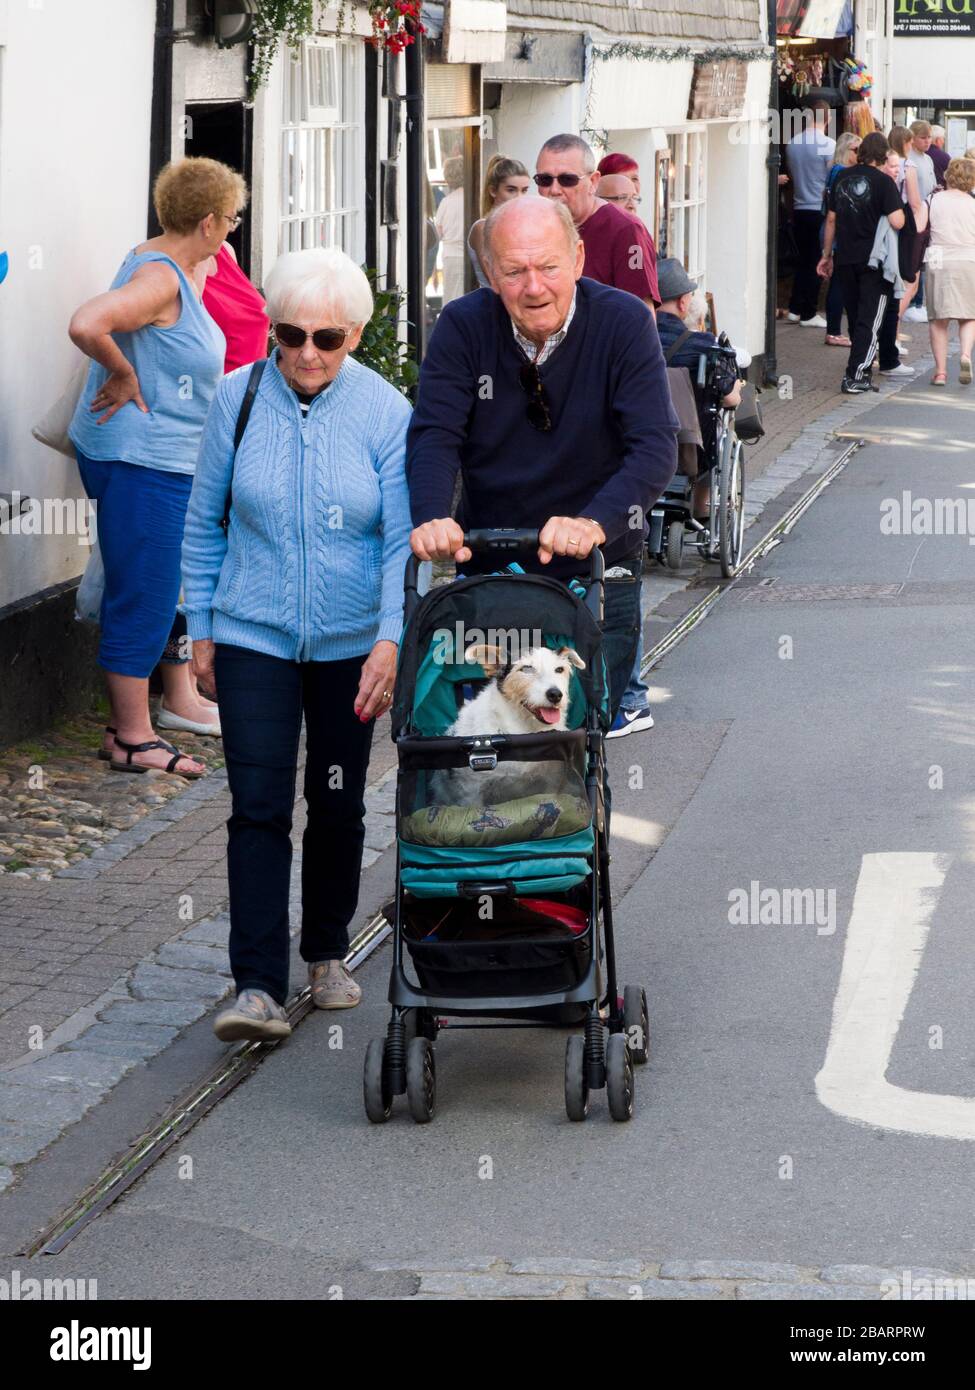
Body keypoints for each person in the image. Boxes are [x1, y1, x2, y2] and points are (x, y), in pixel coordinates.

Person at [183, 248, 413, 1041]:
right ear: (273, 330)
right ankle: (254, 984)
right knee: (256, 806)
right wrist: (201, 629)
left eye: (328, 338)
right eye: (291, 334)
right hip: (252, 636)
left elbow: (398, 544)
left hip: (352, 644)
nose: (308, 353)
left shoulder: (386, 412)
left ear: (353, 334)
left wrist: (390, 639)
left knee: (339, 799)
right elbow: (203, 519)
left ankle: (325, 951)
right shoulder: (234, 400)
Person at [405, 196, 678, 730]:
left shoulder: (623, 323)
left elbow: (653, 446)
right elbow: (435, 433)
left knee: (579, 735)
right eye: (514, 271)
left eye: (549, 267)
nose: (534, 287)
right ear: (489, 271)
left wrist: (593, 523)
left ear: (577, 260)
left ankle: (575, 813)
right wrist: (432, 516)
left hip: (598, 563)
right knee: (490, 732)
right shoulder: (463, 326)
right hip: (492, 563)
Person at [68, 157, 244, 777]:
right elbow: (88, 322)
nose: (233, 229)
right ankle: (134, 738)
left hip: (141, 456)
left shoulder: (165, 258)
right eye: (231, 219)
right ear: (207, 221)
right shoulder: (161, 279)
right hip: (143, 463)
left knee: (143, 587)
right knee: (144, 596)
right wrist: (122, 371)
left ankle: (128, 726)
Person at [818, 132, 905, 394]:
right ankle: (856, 375)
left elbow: (831, 219)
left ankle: (861, 369)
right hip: (874, 261)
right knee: (871, 318)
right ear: (882, 156)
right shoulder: (884, 182)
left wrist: (826, 254)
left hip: (845, 257)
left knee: (856, 318)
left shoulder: (842, 176)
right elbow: (898, 220)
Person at [535, 135, 659, 310]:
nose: (554, 190)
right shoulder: (534, 226)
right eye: (545, 180)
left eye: (567, 180)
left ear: (593, 182)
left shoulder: (625, 230)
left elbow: (641, 315)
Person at [924, 157, 975, 386]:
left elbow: (919, 227)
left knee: (938, 319)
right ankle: (965, 355)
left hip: (938, 259)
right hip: (968, 258)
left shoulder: (933, 199)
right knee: (969, 315)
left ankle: (941, 372)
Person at [785, 102, 836, 329]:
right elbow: (831, 178)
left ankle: (795, 308)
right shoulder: (827, 145)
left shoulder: (793, 144)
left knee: (803, 259)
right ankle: (809, 312)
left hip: (798, 206)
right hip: (819, 208)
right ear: (828, 119)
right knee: (817, 259)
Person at [822, 132, 860, 347]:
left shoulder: (833, 169)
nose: (859, 154)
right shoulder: (842, 172)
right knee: (838, 282)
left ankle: (833, 329)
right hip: (836, 229)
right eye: (856, 150)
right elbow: (835, 210)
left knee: (837, 280)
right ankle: (834, 331)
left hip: (831, 227)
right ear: (847, 151)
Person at [468, 155, 530, 288]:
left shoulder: (524, 226)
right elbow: (497, 279)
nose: (519, 197)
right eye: (511, 190)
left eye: (524, 190)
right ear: (493, 191)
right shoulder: (482, 228)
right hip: (491, 306)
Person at [905, 121, 939, 323]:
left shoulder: (928, 159)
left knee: (924, 259)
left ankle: (918, 303)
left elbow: (931, 183)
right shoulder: (909, 159)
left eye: (929, 138)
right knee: (914, 259)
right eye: (923, 138)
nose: (927, 141)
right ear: (913, 138)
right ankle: (911, 303)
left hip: (928, 213)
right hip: (914, 215)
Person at [435, 156, 467, 305]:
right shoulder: (472, 199)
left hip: (450, 255)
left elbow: (438, 232)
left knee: (451, 296)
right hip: (467, 253)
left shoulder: (446, 202)